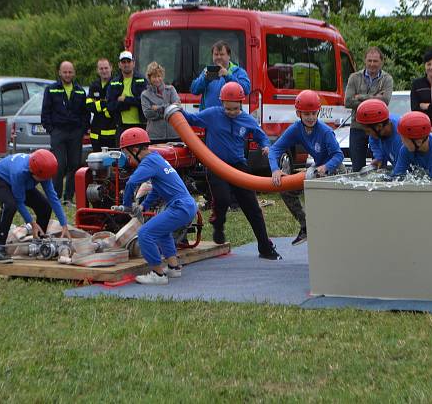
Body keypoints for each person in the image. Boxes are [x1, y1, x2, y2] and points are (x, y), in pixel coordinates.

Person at [181, 82, 282, 260]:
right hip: (216, 164)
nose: (231, 113)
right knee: (223, 199)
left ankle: (265, 247)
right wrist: (176, 110)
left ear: (241, 104)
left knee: (252, 207)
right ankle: (218, 225)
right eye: (227, 109)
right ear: (221, 103)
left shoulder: (247, 119)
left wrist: (266, 146)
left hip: (238, 166)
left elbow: (261, 136)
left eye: (235, 109)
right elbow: (191, 119)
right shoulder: (212, 114)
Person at [119, 127, 197, 285]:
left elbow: (131, 183)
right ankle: (174, 268)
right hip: (186, 205)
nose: (128, 159)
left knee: (145, 234)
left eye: (127, 155)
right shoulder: (157, 159)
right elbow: (157, 188)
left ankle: (158, 274)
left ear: (135, 150)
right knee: (162, 232)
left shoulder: (148, 162)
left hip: (180, 207)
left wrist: (127, 205)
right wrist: (144, 206)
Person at [269, 90, 344, 246]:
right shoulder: (296, 129)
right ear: (298, 113)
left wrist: (326, 167)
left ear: (319, 112)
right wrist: (275, 169)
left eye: (313, 113)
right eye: (306, 114)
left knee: (323, 200)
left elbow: (338, 155)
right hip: (316, 170)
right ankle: (305, 226)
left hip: (335, 169)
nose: (311, 117)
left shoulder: (325, 132)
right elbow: (275, 149)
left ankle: (333, 231)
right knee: (286, 189)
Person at [0, 149, 69, 264]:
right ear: (33, 171)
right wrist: (32, 223)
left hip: (22, 181)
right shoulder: (19, 172)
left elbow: (53, 197)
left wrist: (64, 224)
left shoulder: (43, 169)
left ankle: (39, 243)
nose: (45, 181)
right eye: (43, 179)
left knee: (45, 206)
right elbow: (19, 201)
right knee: (10, 205)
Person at [41, 61, 88, 206]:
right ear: (59, 73)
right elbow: (45, 112)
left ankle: (68, 198)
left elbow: (85, 114)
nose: (67, 75)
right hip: (58, 132)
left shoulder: (80, 91)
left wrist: (82, 130)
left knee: (74, 165)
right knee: (59, 165)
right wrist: (52, 130)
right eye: (65, 72)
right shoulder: (51, 89)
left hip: (75, 133)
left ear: (74, 73)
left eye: (70, 72)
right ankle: (55, 197)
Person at [344, 47, 394, 172]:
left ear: (381, 62)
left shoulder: (387, 79)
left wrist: (360, 97)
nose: (372, 64)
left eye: (375, 61)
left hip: (379, 128)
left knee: (379, 166)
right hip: (357, 126)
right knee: (357, 167)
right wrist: (374, 98)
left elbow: (385, 101)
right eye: (369, 61)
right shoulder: (354, 77)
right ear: (365, 61)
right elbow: (348, 101)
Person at [190, 40, 250, 110]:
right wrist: (205, 79)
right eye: (216, 54)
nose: (218, 57)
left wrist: (228, 76)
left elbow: (246, 90)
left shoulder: (238, 71)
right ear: (212, 56)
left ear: (229, 56)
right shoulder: (207, 71)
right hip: (209, 117)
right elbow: (194, 90)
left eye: (221, 54)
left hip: (230, 117)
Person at [107, 51, 147, 136]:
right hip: (121, 126)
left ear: (133, 63)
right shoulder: (114, 82)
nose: (126, 64)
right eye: (123, 62)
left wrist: (125, 99)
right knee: (122, 149)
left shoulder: (142, 80)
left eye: (129, 61)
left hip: (141, 125)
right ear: (119, 65)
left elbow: (145, 102)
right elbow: (110, 106)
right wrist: (125, 105)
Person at [355, 99, 403, 171]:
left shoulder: (401, 138)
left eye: (368, 131)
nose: (367, 134)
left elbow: (400, 172)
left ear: (379, 127)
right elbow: (373, 142)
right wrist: (379, 158)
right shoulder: (378, 129)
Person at [141, 61, 181, 142]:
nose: (157, 79)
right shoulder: (145, 95)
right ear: (149, 78)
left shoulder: (171, 89)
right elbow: (148, 114)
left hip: (174, 134)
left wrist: (158, 108)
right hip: (155, 137)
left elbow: (177, 108)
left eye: (159, 76)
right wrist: (169, 111)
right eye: (154, 77)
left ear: (162, 76)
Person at [87, 57, 117, 151]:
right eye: (101, 68)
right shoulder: (94, 85)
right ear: (97, 70)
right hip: (96, 134)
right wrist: (105, 103)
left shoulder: (117, 83)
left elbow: (114, 105)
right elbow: (89, 106)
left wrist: (98, 104)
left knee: (112, 163)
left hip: (112, 134)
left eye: (106, 68)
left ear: (111, 68)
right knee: (97, 162)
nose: (104, 71)